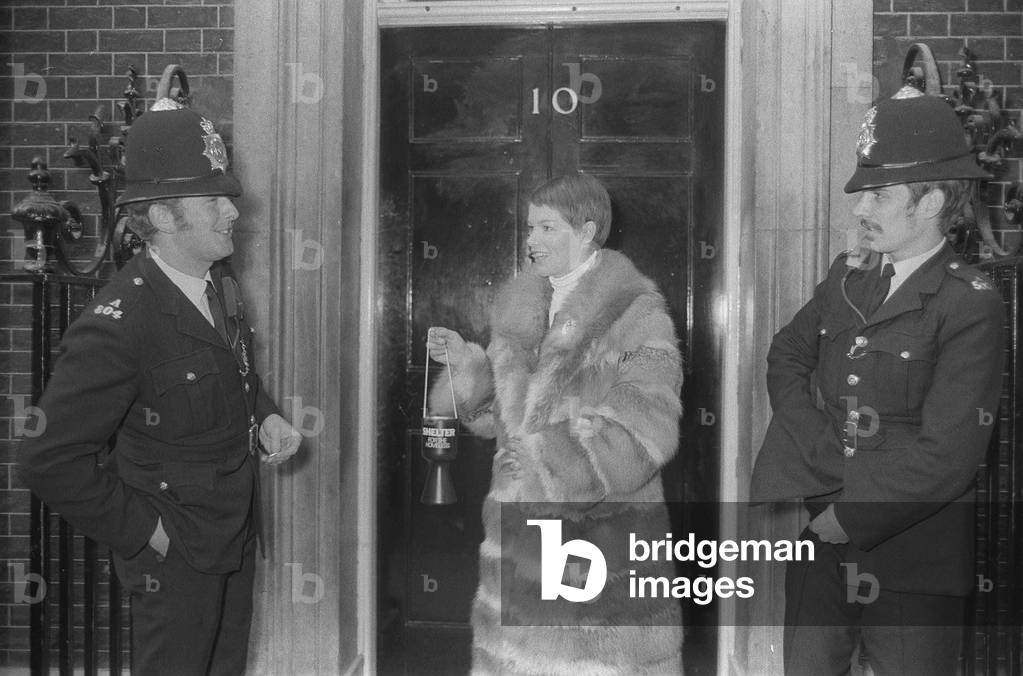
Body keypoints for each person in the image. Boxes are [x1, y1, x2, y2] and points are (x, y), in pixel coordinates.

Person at [18, 99, 301, 676]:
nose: (233, 212)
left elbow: (233, 371)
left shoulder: (218, 282)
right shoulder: (119, 324)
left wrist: (266, 413)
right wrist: (147, 533)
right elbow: (47, 458)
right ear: (164, 217)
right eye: (213, 200)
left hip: (234, 535)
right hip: (175, 560)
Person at [750, 87, 1005, 676]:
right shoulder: (849, 277)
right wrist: (819, 452)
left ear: (931, 201)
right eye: (862, 193)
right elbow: (786, 355)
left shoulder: (970, 303)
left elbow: (951, 451)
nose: (861, 210)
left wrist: (852, 515)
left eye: (880, 195)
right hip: (822, 544)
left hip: (914, 556)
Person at [426, 174, 684, 675]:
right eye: (530, 228)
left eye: (547, 228)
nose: (531, 240)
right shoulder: (520, 311)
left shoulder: (636, 313)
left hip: (599, 546)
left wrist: (546, 465)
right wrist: (467, 368)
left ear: (587, 231)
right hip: (519, 547)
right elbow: (502, 421)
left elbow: (644, 428)